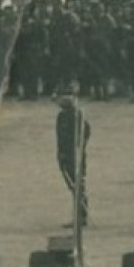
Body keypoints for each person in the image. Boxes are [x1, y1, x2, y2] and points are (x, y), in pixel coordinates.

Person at [55, 95, 91, 227]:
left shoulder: (74, 116)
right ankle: (80, 215)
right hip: (67, 155)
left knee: (77, 185)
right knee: (74, 186)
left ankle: (81, 216)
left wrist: (79, 147)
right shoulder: (63, 117)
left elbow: (85, 132)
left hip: (74, 156)